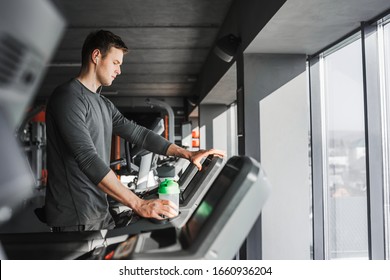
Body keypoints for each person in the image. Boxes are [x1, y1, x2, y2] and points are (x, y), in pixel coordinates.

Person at [45, 30, 224, 232]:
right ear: (96, 56)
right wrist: (138, 204)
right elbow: (87, 158)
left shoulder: (103, 103)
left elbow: (139, 134)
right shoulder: (69, 97)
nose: (119, 71)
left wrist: (188, 153)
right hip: (76, 217)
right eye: (115, 63)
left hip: (99, 212)